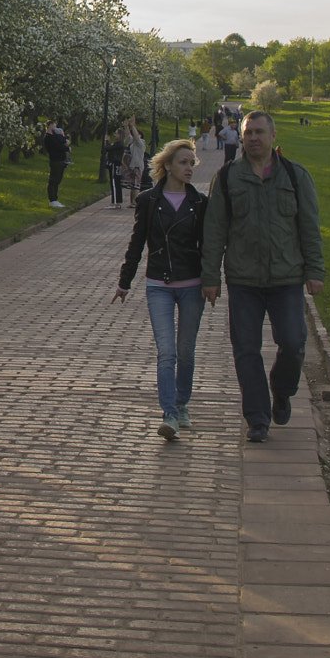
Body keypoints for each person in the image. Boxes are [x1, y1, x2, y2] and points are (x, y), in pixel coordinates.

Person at [202, 110, 325, 443]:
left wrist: (315, 271)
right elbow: (215, 231)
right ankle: (257, 417)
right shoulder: (227, 178)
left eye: (259, 132)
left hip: (286, 278)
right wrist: (210, 276)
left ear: (272, 136)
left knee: (293, 342)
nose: (253, 138)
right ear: (241, 138)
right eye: (247, 133)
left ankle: (281, 391)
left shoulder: (296, 176)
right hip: (244, 280)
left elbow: (309, 228)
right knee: (246, 349)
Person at [113, 138, 211, 440]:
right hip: (159, 285)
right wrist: (124, 281)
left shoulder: (199, 203)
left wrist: (211, 281)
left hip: (192, 285)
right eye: (183, 162)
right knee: (167, 352)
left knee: (186, 350)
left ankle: (182, 405)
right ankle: (169, 413)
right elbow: (137, 242)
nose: (189, 168)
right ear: (167, 166)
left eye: (191, 163)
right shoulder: (148, 201)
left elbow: (208, 246)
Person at [42, 122, 71, 207]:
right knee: (54, 180)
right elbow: (58, 146)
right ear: (50, 126)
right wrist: (67, 148)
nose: (55, 128)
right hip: (55, 160)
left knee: (57, 180)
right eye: (54, 126)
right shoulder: (48, 138)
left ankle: (55, 198)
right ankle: (52, 199)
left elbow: (62, 141)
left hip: (60, 160)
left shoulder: (54, 136)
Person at [121, 117, 147, 201]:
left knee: (136, 185)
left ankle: (136, 202)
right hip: (131, 166)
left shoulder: (140, 144)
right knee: (132, 186)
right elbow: (128, 136)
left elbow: (136, 137)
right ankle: (132, 202)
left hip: (137, 166)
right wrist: (126, 126)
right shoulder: (132, 144)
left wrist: (133, 126)